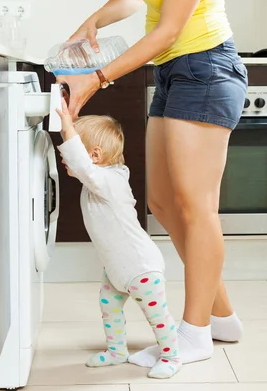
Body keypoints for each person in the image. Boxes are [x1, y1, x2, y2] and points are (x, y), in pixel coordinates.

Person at [57, 0, 248, 366]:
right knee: (163, 203)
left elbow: (168, 28)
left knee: (196, 207)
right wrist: (94, 20)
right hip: (171, 73)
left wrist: (97, 78)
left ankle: (194, 334)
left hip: (207, 71)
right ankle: (223, 316)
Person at [56, 98, 181, 379]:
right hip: (116, 267)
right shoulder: (99, 181)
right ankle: (117, 351)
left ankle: (172, 356)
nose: (64, 156)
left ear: (95, 155)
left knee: (158, 316)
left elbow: (83, 167)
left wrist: (67, 128)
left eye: (70, 149)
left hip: (140, 268)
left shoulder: (109, 182)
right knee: (109, 306)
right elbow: (84, 168)